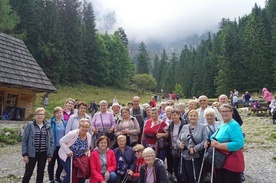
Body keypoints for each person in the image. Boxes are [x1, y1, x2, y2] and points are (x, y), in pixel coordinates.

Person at [210, 104, 245, 183]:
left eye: (227, 111)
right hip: (221, 161)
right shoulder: (222, 124)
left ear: (232, 112)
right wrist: (210, 141)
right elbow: (214, 136)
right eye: (222, 111)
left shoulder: (234, 125)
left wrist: (219, 145)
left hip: (231, 162)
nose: (224, 113)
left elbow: (239, 144)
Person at [21, 107, 54, 183]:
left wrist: (50, 155)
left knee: (41, 172)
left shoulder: (48, 126)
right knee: (28, 172)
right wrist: (25, 154)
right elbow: (24, 140)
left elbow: (51, 141)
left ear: (44, 115)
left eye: (42, 114)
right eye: (38, 114)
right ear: (35, 115)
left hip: (43, 154)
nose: (40, 116)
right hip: (31, 153)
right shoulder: (30, 125)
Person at [178, 110, 208, 183]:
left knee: (197, 175)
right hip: (185, 155)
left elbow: (205, 140)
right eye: (191, 116)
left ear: (197, 117)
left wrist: (195, 149)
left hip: (197, 155)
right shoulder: (184, 127)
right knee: (187, 174)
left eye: (194, 116)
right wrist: (180, 144)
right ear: (188, 117)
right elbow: (179, 138)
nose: (192, 117)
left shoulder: (202, 127)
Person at [59, 119, 92, 183]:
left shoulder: (88, 136)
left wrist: (87, 154)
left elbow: (88, 148)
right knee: (70, 173)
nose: (85, 129)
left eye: (87, 127)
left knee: (82, 172)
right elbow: (61, 141)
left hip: (79, 157)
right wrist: (68, 151)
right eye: (83, 127)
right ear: (79, 127)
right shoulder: (73, 133)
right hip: (67, 156)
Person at [167, 109, 188, 182]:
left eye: (175, 115)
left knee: (182, 165)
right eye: (172, 115)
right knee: (175, 165)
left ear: (179, 115)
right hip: (173, 148)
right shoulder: (171, 124)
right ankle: (178, 179)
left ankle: (184, 179)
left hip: (183, 148)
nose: (173, 117)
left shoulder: (184, 124)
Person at [48, 107, 67, 183]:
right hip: (53, 146)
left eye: (61, 112)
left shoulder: (65, 122)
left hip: (62, 147)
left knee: (61, 164)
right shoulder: (51, 123)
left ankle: (57, 177)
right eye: (57, 113)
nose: (59, 114)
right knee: (51, 163)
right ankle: (51, 179)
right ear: (54, 114)